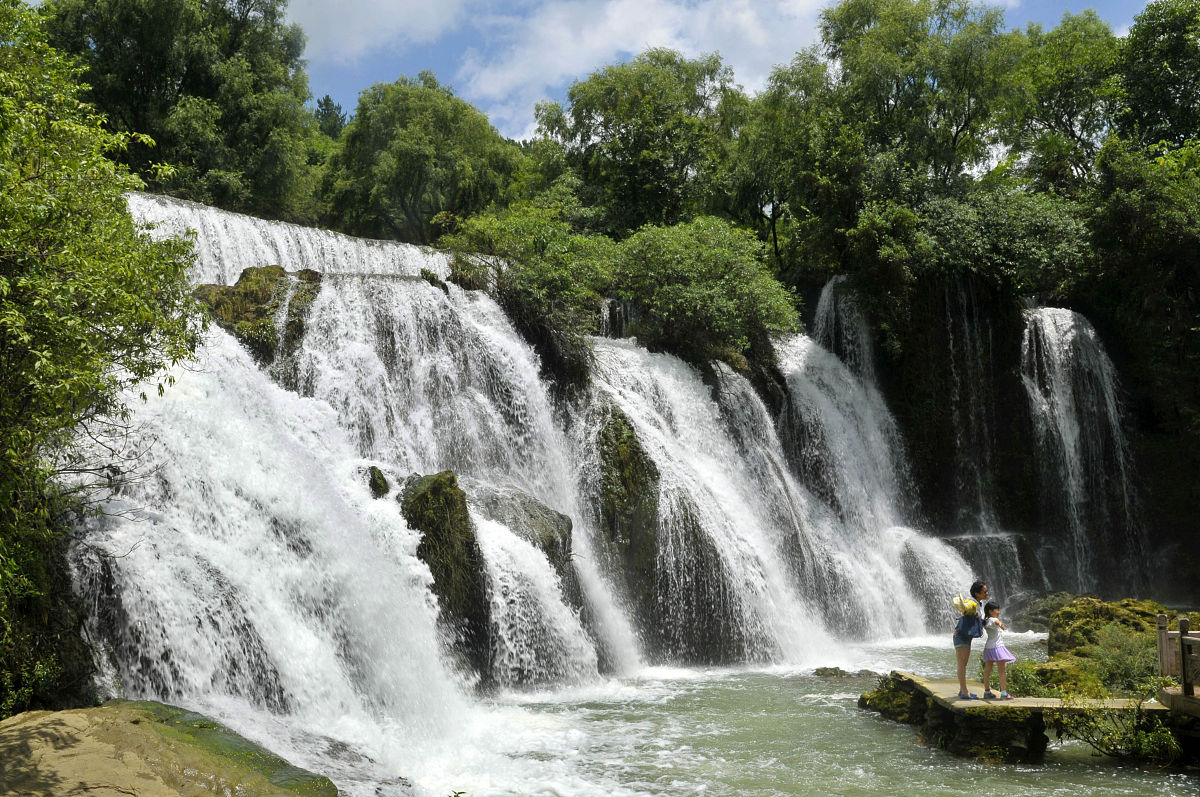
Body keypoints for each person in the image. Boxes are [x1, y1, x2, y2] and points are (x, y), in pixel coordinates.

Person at [953, 580, 988, 699]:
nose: (987, 593)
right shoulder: (971, 602)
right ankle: (964, 691)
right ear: (977, 593)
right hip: (961, 636)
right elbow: (966, 608)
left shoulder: (978, 604)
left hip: (965, 636)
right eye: (984, 591)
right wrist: (966, 609)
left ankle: (962, 690)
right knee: (962, 664)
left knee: (963, 663)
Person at [981, 602, 1016, 699]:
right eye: (997, 610)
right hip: (997, 647)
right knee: (1002, 671)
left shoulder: (986, 621)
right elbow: (997, 622)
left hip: (988, 647)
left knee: (987, 670)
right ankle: (1004, 693)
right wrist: (1001, 625)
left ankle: (987, 692)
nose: (999, 612)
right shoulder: (994, 619)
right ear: (990, 611)